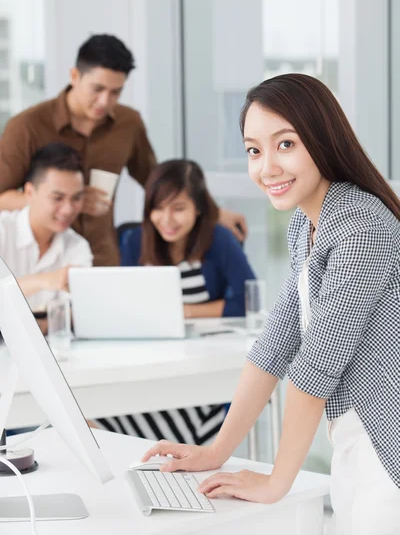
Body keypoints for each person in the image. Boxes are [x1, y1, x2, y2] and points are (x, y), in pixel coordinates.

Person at [141, 74, 400, 535]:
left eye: (285, 144)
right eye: (254, 151)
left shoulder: (362, 225)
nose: (266, 168)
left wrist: (277, 481)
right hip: (356, 443)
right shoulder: (310, 221)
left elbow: (319, 361)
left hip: (386, 447)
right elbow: (277, 341)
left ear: (323, 139)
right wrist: (216, 450)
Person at [0, 34, 247, 266]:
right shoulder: (27, 126)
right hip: (42, 260)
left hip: (104, 256)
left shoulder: (128, 123)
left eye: (115, 92)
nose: (105, 101)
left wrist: (213, 212)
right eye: (97, 89)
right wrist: (70, 200)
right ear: (75, 76)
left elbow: (157, 180)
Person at [93, 159, 255, 443]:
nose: (166, 220)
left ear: (198, 208)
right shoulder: (134, 241)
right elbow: (124, 307)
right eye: (158, 208)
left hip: (199, 374)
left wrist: (182, 312)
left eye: (178, 208)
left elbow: (247, 301)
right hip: (148, 369)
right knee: (92, 414)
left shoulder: (219, 240)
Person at [0, 142, 92, 328]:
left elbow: (79, 315)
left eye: (76, 198)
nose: (68, 210)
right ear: (29, 193)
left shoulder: (78, 246)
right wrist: (45, 280)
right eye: (57, 198)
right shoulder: (3, 231)